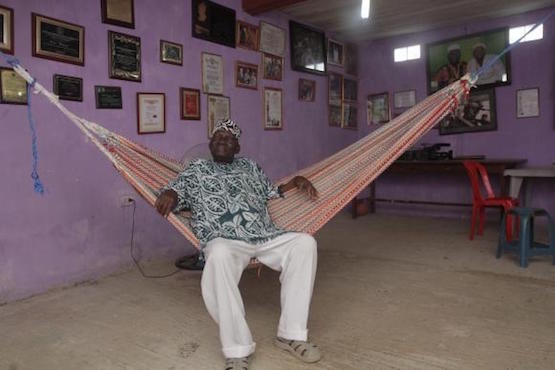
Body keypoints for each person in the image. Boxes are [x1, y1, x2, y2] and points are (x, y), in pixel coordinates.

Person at [155, 119, 322, 370]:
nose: (222, 140)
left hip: (264, 234)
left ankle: (291, 334)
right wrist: (171, 194)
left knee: (305, 243)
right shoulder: (196, 169)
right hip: (223, 238)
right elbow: (175, 191)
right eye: (217, 137)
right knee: (219, 256)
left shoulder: (250, 167)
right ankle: (237, 349)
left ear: (238, 147)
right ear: (210, 144)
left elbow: (272, 192)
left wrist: (296, 180)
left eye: (228, 138)